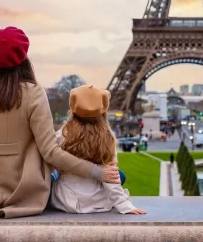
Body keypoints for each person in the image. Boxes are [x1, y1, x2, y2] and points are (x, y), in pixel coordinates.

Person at [0, 26, 120, 218]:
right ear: (23, 57)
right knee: (114, 178)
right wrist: (97, 172)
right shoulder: (33, 93)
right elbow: (50, 152)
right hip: (28, 191)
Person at [50, 85, 146, 215]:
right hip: (96, 201)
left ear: (72, 111)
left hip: (65, 200)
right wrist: (125, 205)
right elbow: (111, 178)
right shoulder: (107, 139)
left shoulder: (62, 135)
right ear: (104, 112)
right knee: (118, 174)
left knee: (54, 176)